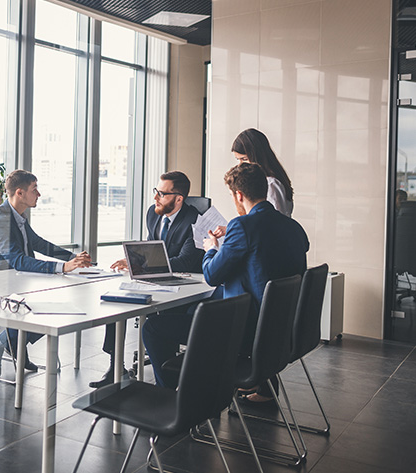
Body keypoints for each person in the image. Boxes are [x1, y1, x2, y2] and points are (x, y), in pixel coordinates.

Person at [203, 162, 309, 403]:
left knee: (157, 329)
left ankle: (189, 401)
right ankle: (259, 386)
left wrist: (211, 250)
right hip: (284, 327)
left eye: (232, 196)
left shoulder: (241, 226)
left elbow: (211, 276)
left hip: (248, 330)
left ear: (238, 195)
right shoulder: (294, 227)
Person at [89, 171, 204, 388]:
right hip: (154, 279)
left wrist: (143, 265)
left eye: (162, 193)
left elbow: (185, 261)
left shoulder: (195, 221)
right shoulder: (153, 213)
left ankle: (168, 380)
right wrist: (133, 260)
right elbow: (152, 248)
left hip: (184, 286)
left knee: (158, 324)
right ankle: (116, 368)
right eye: (156, 192)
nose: (155, 198)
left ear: (178, 198)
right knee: (117, 301)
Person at [0, 169, 92, 377]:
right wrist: (62, 268)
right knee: (46, 311)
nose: (39, 194)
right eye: (35, 189)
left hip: (19, 282)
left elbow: (38, 243)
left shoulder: (18, 217)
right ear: (20, 193)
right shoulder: (0, 220)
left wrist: (72, 258)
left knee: (53, 308)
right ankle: (0, 341)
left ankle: (11, 342)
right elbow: (18, 260)